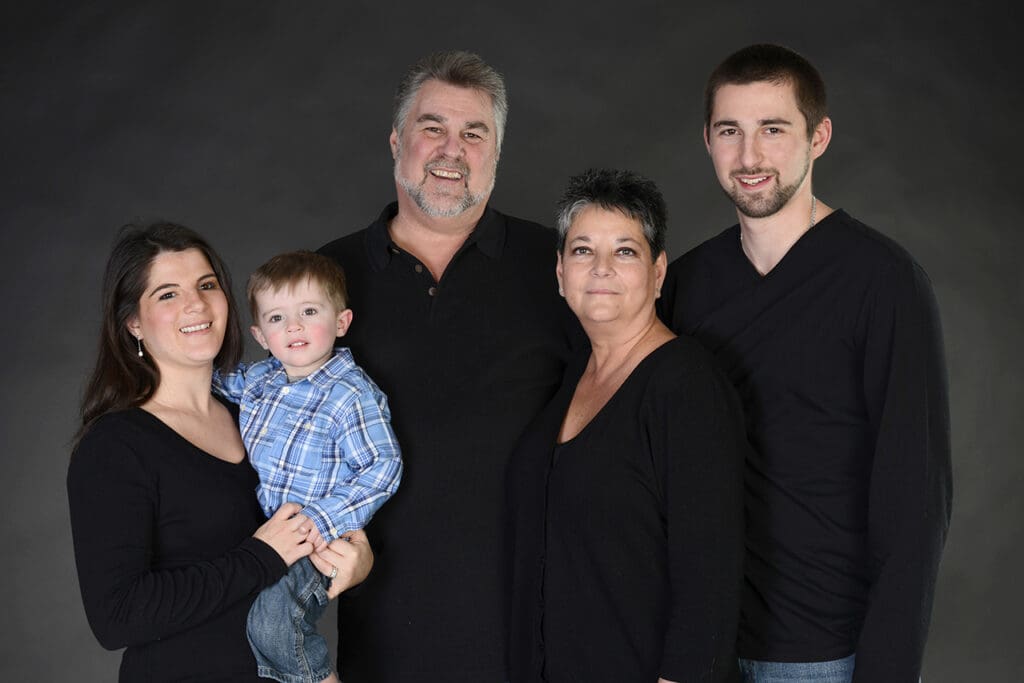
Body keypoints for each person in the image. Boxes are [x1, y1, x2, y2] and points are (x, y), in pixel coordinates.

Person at [659, 44, 952, 682]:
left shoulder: (884, 282)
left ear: (818, 137)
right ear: (707, 141)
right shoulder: (686, 285)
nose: (750, 156)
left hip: (826, 653)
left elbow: (915, 499)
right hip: (702, 644)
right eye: (730, 131)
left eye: (774, 129)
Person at [318, 50, 579, 682]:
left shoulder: (561, 267)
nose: (451, 150)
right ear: (396, 141)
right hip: (381, 624)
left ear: (496, 153)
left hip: (535, 624)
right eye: (432, 128)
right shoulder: (327, 278)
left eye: (474, 133)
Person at [67, 223, 373, 682]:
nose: (196, 304)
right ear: (133, 322)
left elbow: (328, 501)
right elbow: (118, 616)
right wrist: (261, 555)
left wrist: (358, 555)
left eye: (207, 285)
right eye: (167, 294)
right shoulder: (116, 446)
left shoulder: (260, 412)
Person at [507, 168, 746, 683]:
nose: (601, 268)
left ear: (658, 273)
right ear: (560, 272)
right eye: (582, 250)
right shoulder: (572, 374)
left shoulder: (687, 387)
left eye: (625, 251)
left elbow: (710, 577)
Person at [213, 251, 402, 683]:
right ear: (261, 334)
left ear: (341, 322)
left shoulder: (349, 394)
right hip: (265, 536)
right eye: (277, 318)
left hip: (314, 540)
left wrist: (322, 518)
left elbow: (382, 465)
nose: (293, 326)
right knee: (247, 623)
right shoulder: (261, 379)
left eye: (309, 311)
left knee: (274, 622)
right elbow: (214, 378)